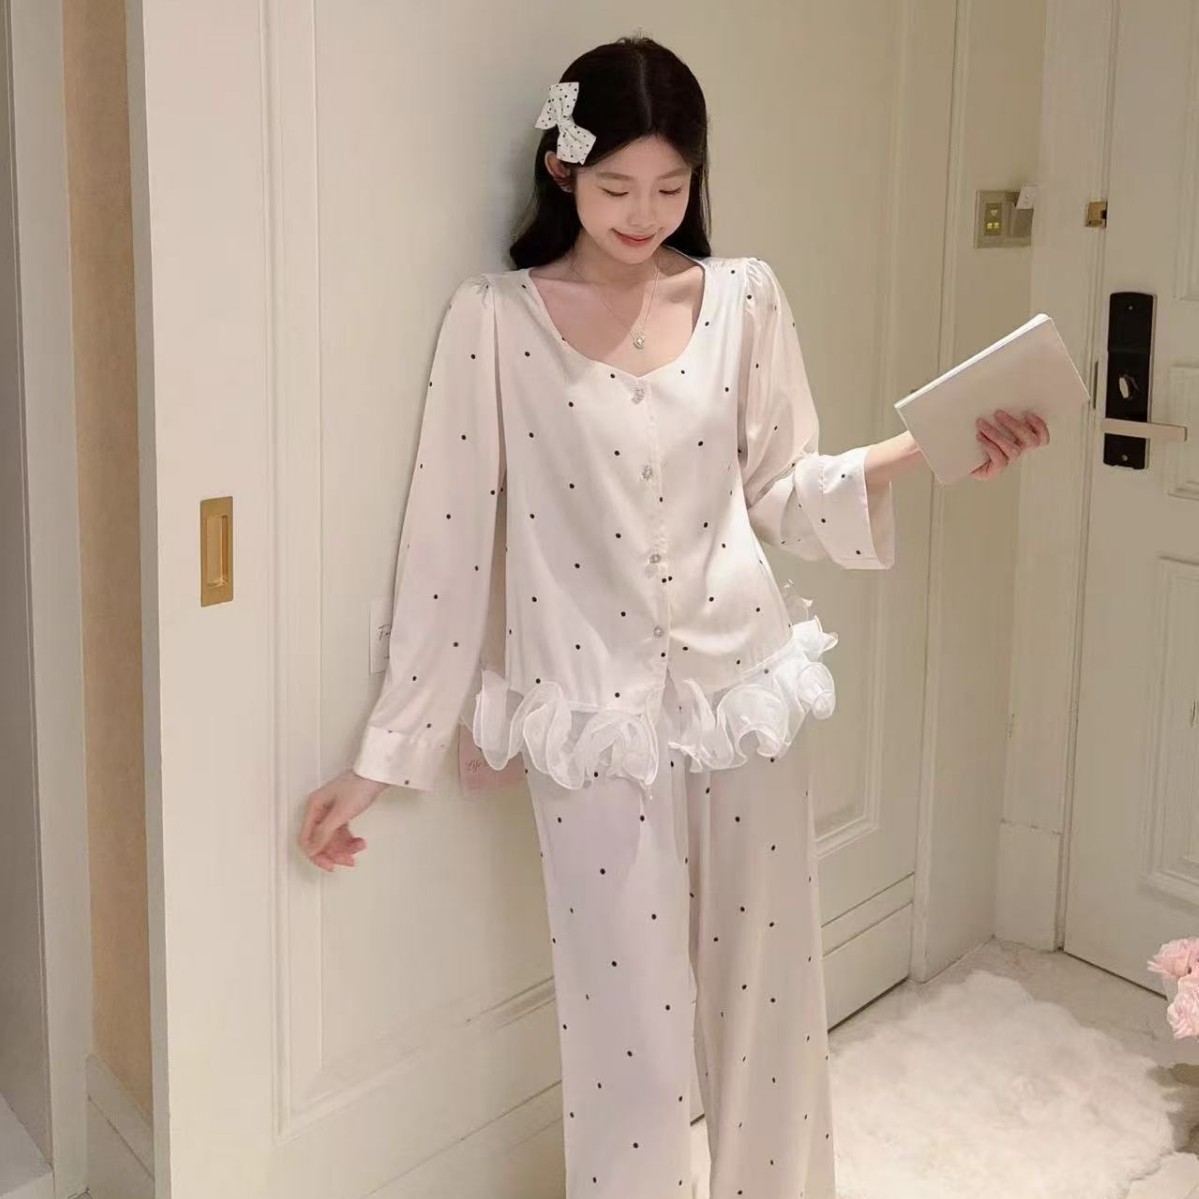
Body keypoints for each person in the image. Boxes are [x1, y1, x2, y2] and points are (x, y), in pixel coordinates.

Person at [299, 34, 1049, 1199]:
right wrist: (382, 754)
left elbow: (781, 490)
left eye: (668, 186)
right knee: (628, 1055)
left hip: (743, 697)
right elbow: (448, 543)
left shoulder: (741, 298)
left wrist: (922, 450)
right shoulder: (495, 322)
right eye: (614, 187)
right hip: (590, 724)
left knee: (769, 1014)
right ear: (562, 170)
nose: (642, 214)